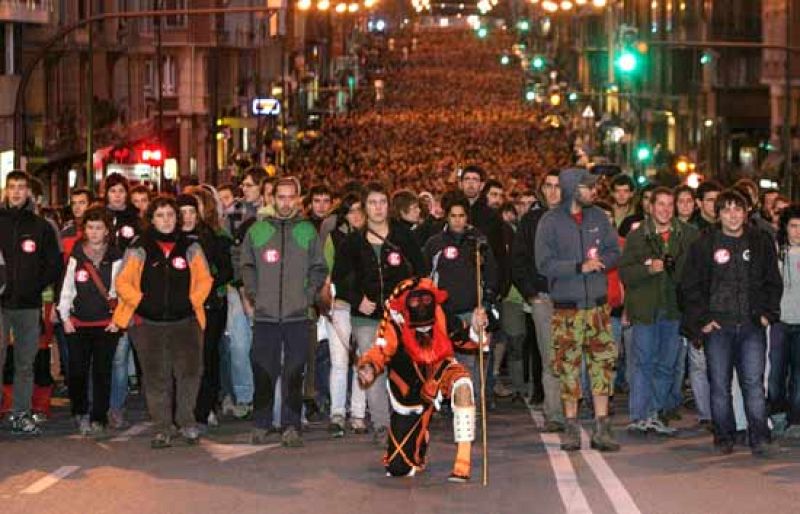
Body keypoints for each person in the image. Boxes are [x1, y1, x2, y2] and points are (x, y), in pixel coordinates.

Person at [681, 189, 781, 457]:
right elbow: (689, 286)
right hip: (718, 327)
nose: (733, 215)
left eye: (738, 209)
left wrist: (766, 314)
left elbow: (773, 281)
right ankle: (724, 436)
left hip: (751, 326)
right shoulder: (704, 244)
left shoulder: (760, 241)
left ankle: (759, 434)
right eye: (726, 210)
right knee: (720, 385)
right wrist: (702, 320)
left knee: (753, 383)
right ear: (718, 214)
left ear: (746, 212)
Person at [357, 278, 484, 482]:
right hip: (411, 394)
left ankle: (463, 462)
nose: (422, 306)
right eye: (415, 302)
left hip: (441, 373)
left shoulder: (442, 315)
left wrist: (477, 329)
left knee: (463, 385)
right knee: (398, 468)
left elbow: (466, 340)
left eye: (426, 300)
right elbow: (380, 350)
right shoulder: (394, 324)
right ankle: (420, 438)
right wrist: (369, 367)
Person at [112, 196, 213, 448]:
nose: (166, 220)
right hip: (148, 324)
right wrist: (142, 303)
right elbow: (122, 282)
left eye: (170, 215)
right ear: (151, 219)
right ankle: (162, 427)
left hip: (186, 320)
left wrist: (191, 302)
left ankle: (186, 421)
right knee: (157, 377)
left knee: (189, 373)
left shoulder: (191, 246)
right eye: (160, 215)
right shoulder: (139, 246)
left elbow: (205, 280)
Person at [332, 181, 426, 444]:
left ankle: (405, 420)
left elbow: (421, 271)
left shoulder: (403, 237)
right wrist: (357, 299)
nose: (378, 208)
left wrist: (408, 300)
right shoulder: (352, 242)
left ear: (389, 206)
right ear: (364, 207)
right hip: (367, 319)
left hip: (400, 317)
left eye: (382, 202)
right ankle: (382, 426)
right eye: (372, 203)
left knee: (403, 369)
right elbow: (339, 280)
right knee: (373, 369)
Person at [535, 168, 621, 452]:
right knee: (568, 368)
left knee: (602, 367)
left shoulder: (598, 217)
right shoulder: (549, 222)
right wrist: (577, 267)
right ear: (574, 189)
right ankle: (571, 427)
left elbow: (613, 251)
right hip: (567, 309)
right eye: (588, 187)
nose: (593, 192)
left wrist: (602, 263)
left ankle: (602, 427)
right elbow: (543, 264)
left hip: (597, 307)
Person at [241, 177, 328, 447]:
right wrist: (255, 294)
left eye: (291, 197)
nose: (286, 202)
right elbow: (246, 264)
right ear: (272, 199)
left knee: (294, 371)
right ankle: (261, 422)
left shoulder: (307, 231)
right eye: (281, 197)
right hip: (266, 315)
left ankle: (291, 425)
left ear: (298, 199)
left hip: (298, 315)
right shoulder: (257, 231)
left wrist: (309, 294)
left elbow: (319, 267)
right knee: (263, 369)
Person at [619, 187, 698, 436]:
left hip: (673, 310)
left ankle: (655, 413)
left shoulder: (688, 235)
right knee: (644, 363)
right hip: (645, 310)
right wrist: (647, 269)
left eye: (669, 205)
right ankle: (639, 415)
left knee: (666, 364)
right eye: (660, 204)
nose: (664, 209)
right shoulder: (637, 236)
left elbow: (695, 275)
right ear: (650, 207)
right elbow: (625, 273)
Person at [0, 170, 63, 435]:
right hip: (0, 304)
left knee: (25, 363)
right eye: (11, 187)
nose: (16, 192)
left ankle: (20, 414)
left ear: (28, 192)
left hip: (28, 305)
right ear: (5, 190)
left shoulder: (41, 226)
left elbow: (54, 264)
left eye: (21, 187)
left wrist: (35, 286)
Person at [423, 192, 499, 397]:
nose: (458, 220)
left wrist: (487, 304)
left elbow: (491, 274)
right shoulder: (434, 244)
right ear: (447, 217)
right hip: (443, 315)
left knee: (470, 365)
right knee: (444, 362)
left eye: (462, 216)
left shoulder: (478, 242)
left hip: (471, 313)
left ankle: (469, 406)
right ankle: (447, 400)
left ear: (467, 218)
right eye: (453, 215)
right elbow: (425, 278)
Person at [57, 206, 122, 437]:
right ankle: (80, 411)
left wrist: (118, 319)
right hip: (78, 323)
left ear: (107, 231)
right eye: (90, 228)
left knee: (103, 372)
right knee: (77, 371)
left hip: (106, 324)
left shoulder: (116, 256)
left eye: (99, 228)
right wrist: (64, 317)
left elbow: (120, 290)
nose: (94, 232)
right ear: (84, 230)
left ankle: (99, 416)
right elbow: (66, 288)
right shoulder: (76, 255)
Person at [513, 169, 564, 431]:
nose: (553, 191)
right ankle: (554, 414)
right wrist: (531, 294)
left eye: (558, 186)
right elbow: (518, 259)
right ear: (541, 190)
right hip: (543, 298)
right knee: (550, 359)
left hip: (572, 300)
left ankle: (572, 410)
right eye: (549, 186)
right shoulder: (530, 221)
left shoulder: (575, 217)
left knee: (572, 358)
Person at [178, 192, 233, 430]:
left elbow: (227, 270)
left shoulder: (212, 238)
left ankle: (206, 407)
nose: (188, 217)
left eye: (192, 211)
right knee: (182, 362)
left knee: (207, 357)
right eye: (183, 212)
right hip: (180, 308)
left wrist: (207, 284)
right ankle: (182, 410)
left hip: (210, 306)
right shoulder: (171, 240)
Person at [322, 194, 367, 437]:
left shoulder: (374, 237)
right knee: (339, 362)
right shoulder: (334, 239)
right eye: (351, 211)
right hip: (340, 306)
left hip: (366, 309)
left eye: (360, 209)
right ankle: (337, 413)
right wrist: (328, 302)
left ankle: (358, 414)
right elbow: (326, 273)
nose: (356, 215)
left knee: (362, 361)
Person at [225, 166, 267, 418]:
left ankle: (264, 393)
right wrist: (241, 288)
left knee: (264, 345)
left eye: (250, 185)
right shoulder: (236, 213)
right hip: (239, 288)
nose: (245, 189)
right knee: (239, 345)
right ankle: (245, 396)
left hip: (266, 287)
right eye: (244, 185)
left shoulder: (270, 214)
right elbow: (233, 253)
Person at [103, 173, 143, 430]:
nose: (117, 195)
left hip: (128, 294)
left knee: (121, 354)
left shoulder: (136, 220)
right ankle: (101, 405)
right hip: (100, 293)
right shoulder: (98, 217)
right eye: (112, 190)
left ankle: (116, 407)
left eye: (121, 190)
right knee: (106, 355)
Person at [774, 204, 800, 440]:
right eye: (793, 226)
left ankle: (795, 419)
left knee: (799, 375)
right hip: (779, 322)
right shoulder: (774, 252)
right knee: (776, 374)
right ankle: (777, 415)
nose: (798, 231)